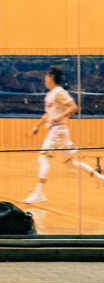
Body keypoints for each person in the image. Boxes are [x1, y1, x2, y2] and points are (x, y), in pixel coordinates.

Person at [25, 66, 104, 203]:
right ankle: (101, 179)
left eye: (46, 77)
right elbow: (47, 114)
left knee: (43, 157)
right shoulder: (50, 95)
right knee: (71, 163)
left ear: (51, 78)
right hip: (56, 131)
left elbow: (73, 107)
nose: (44, 80)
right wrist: (37, 126)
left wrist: (59, 116)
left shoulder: (59, 92)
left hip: (58, 130)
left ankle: (39, 192)